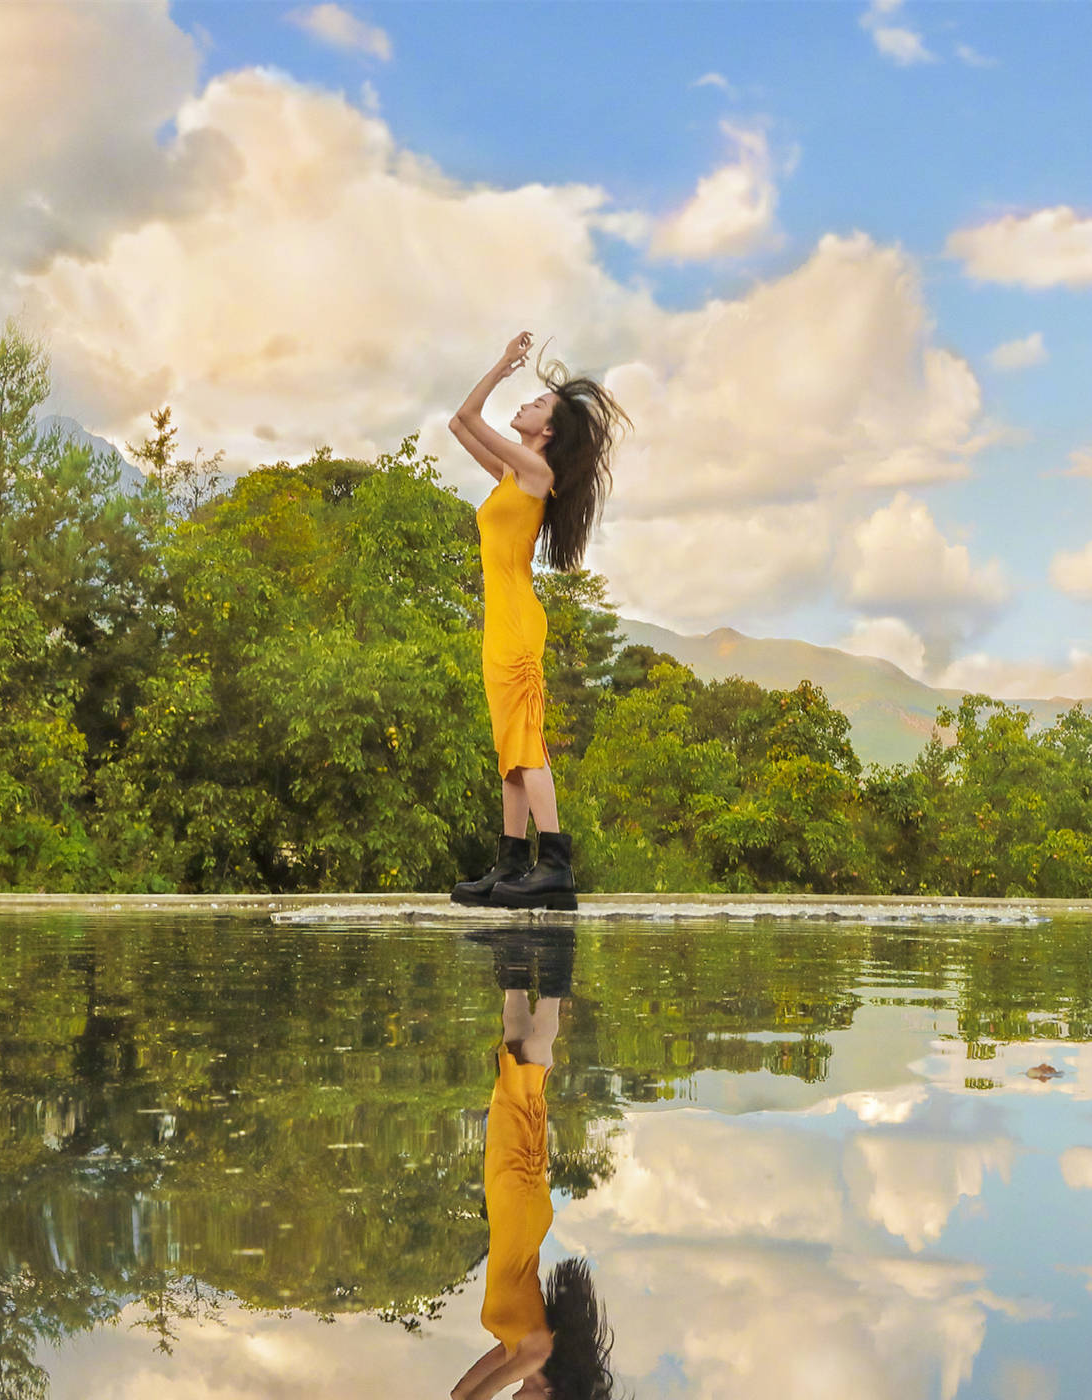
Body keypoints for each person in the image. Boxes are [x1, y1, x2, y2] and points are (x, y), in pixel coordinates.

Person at [448, 332, 632, 911]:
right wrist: (500, 370)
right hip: (500, 622)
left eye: (537, 407)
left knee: (527, 742)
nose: (525, 407)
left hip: (519, 622)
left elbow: (466, 414)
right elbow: (458, 428)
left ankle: (554, 864)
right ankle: (511, 860)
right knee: (510, 748)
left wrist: (503, 364)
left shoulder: (534, 472)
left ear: (547, 433)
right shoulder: (511, 474)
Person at [452, 927, 616, 1400]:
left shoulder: (515, 1352)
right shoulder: (537, 1352)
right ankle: (558, 959)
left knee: (514, 1059)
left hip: (512, 1212)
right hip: (519, 1209)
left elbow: (458, 1397)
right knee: (527, 1086)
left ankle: (517, 951)